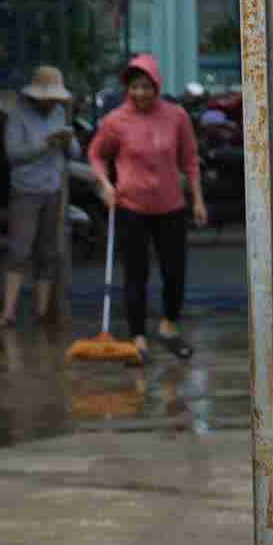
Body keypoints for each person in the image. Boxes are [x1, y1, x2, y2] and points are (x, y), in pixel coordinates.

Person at [89, 52, 207, 362]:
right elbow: (96, 155)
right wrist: (105, 184)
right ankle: (138, 337)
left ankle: (168, 327)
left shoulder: (177, 116)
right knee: (135, 275)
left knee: (174, 272)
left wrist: (198, 199)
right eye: (134, 87)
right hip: (131, 207)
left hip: (171, 206)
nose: (140, 93)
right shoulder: (115, 121)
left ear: (156, 86)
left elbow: (190, 160)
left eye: (146, 87)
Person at [0, 65, 74, 330]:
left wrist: (67, 141)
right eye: (47, 98)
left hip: (52, 189)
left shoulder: (60, 113)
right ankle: (8, 313)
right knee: (19, 250)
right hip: (26, 191)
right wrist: (44, 145)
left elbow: (73, 151)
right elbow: (13, 153)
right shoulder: (18, 115)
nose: (51, 103)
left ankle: (41, 313)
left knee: (47, 253)